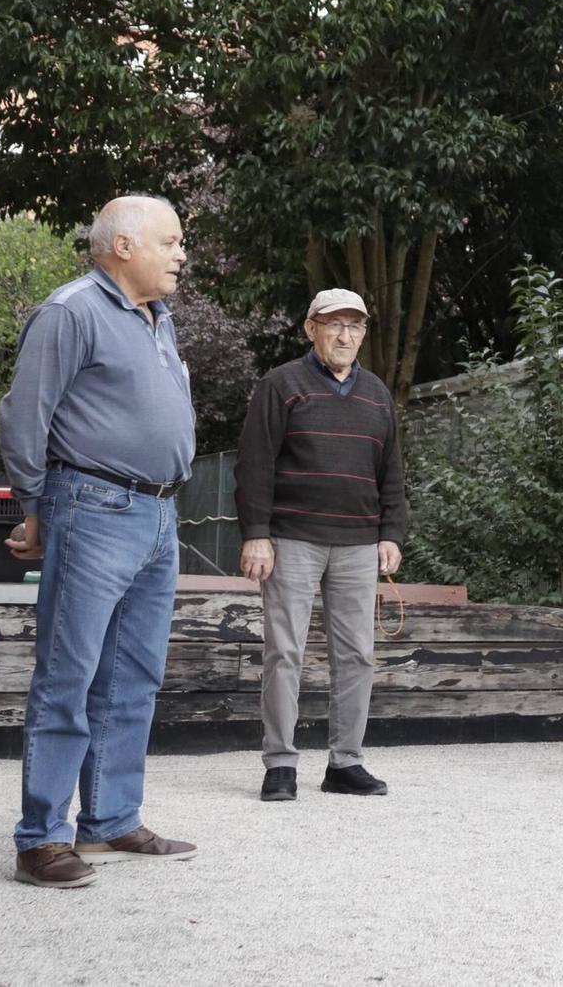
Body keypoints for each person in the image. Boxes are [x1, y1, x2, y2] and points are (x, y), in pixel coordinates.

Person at [0, 195, 200, 888]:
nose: (181, 254)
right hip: (93, 506)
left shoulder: (158, 318)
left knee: (133, 676)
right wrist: (35, 508)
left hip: (159, 514)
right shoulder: (72, 310)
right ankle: (41, 838)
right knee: (69, 674)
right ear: (123, 245)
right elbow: (24, 415)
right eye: (170, 241)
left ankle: (111, 819)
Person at [236, 289, 406, 803]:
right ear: (311, 329)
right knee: (284, 653)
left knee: (357, 656)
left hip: (358, 543)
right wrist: (256, 534)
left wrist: (391, 533)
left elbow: (391, 471)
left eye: (355, 326)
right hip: (291, 539)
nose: (345, 335)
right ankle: (280, 763)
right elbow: (255, 463)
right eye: (334, 324)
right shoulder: (281, 384)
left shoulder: (377, 394)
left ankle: (345, 762)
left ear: (363, 334)